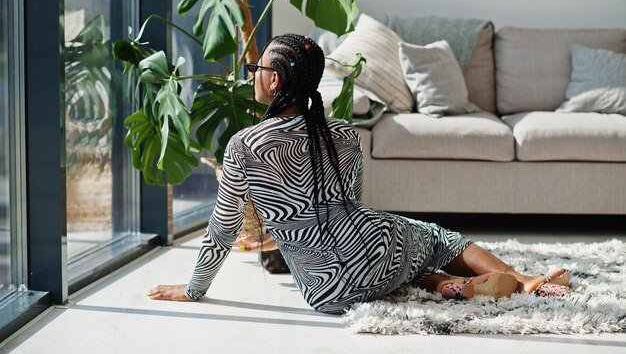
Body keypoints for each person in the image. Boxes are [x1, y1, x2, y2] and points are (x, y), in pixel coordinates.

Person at [147, 34, 570, 313]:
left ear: (273, 81)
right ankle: (524, 280)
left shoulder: (244, 146)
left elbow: (222, 232)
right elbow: (350, 209)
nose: (253, 75)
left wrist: (194, 289)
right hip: (377, 251)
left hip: (326, 292)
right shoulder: (344, 133)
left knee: (408, 254)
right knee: (433, 239)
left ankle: (449, 287)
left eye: (257, 69)